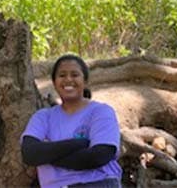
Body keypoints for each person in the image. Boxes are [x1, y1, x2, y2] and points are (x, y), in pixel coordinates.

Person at [20, 54, 122, 188]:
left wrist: (47, 154)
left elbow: (99, 156)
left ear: (85, 81)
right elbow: (30, 153)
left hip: (98, 183)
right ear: (54, 83)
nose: (68, 79)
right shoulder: (43, 117)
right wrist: (79, 143)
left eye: (74, 75)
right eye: (62, 75)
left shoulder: (101, 112)